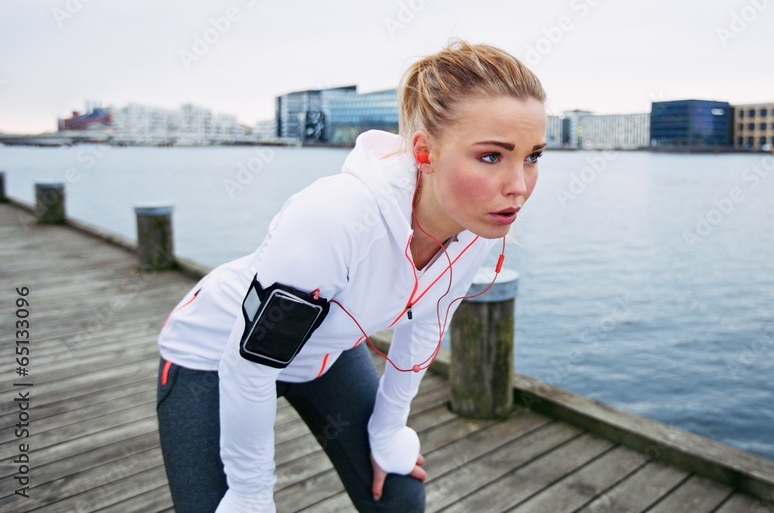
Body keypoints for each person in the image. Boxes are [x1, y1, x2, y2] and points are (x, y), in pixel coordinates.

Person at [155, 40, 547, 513]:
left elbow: (424, 323)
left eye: (533, 156)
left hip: (323, 352)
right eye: (491, 156)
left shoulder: (478, 223)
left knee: (399, 496)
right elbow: (251, 365)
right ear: (425, 151)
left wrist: (388, 430)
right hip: (215, 353)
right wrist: (251, 492)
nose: (519, 186)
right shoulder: (336, 217)